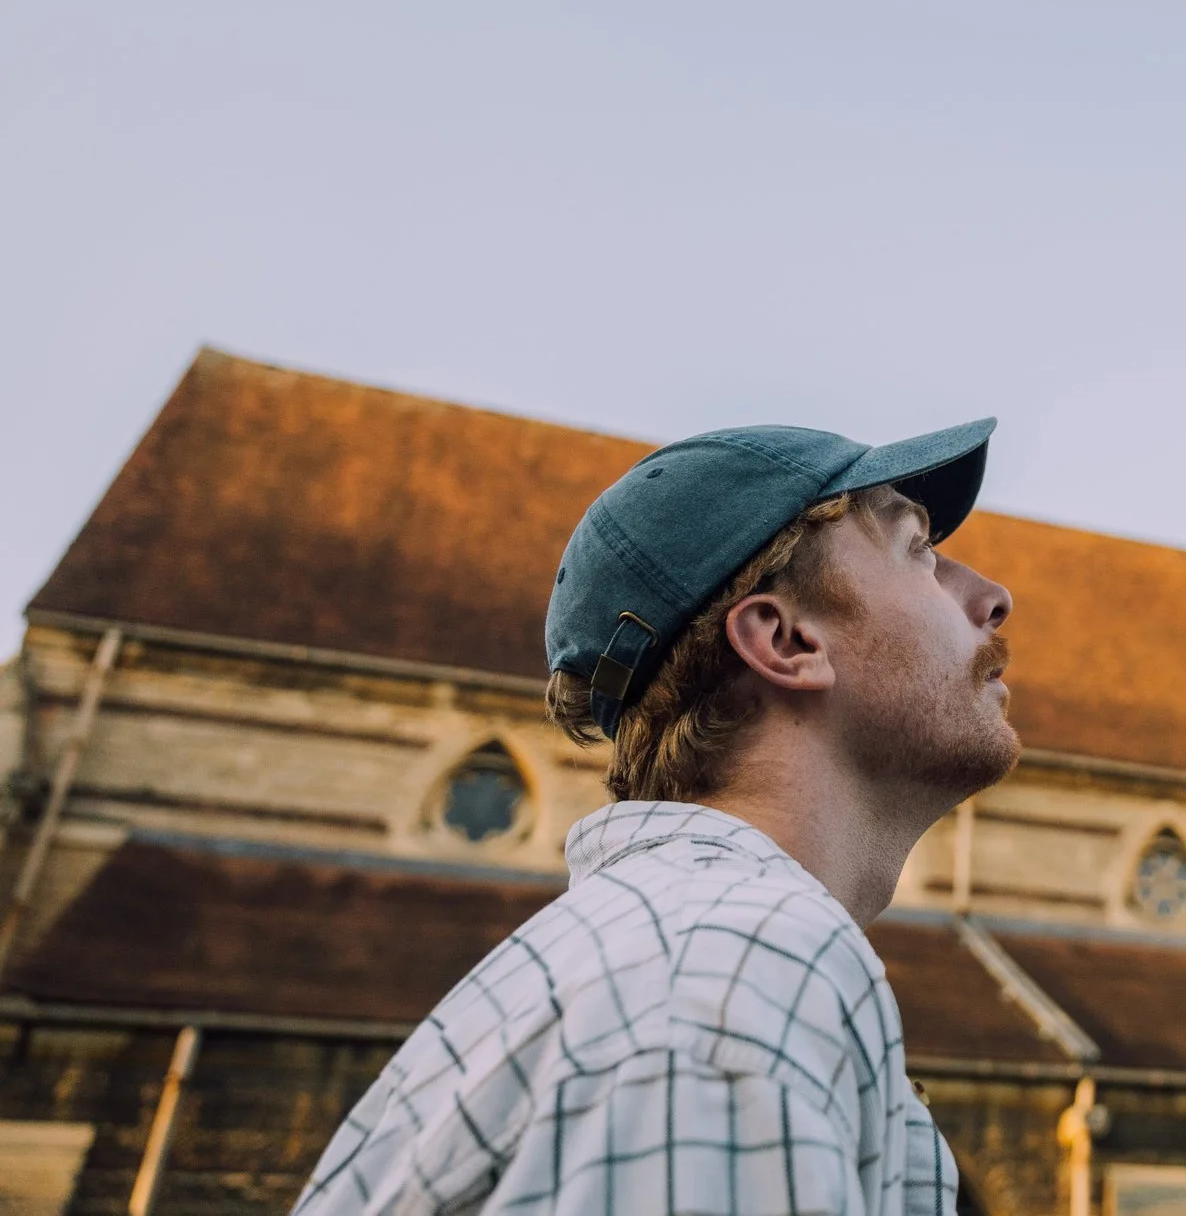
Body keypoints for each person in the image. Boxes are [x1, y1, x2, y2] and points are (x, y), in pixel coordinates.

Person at [294, 420, 1016, 1216]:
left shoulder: (683, 953)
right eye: (916, 549)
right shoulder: (734, 972)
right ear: (785, 640)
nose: (992, 597)